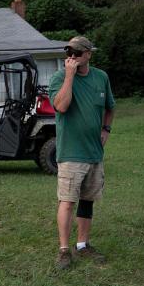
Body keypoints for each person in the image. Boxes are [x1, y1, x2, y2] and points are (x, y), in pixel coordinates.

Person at [47, 36, 115, 270]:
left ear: (88, 54)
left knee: (87, 200)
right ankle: (64, 250)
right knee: (67, 202)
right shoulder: (59, 78)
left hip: (94, 153)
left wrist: (106, 128)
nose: (72, 57)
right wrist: (69, 76)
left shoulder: (101, 77)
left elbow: (110, 108)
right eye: (69, 53)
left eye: (77, 53)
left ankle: (83, 245)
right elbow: (61, 106)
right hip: (71, 153)